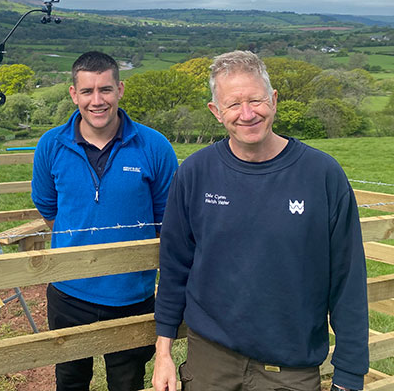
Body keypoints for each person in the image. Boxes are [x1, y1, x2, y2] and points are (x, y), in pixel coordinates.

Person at [152, 50, 369, 391]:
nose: (247, 114)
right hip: (211, 361)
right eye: (234, 104)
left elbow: (348, 280)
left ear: (274, 100)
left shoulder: (322, 175)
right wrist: (163, 352)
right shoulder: (195, 173)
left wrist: (349, 376)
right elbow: (175, 266)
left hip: (290, 367)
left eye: (256, 100)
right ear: (216, 111)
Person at [31, 51, 178, 391]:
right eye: (87, 91)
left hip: (131, 295)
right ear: (73, 94)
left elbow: (164, 219)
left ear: (120, 90)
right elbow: (48, 207)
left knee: (126, 383)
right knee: (70, 380)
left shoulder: (154, 146)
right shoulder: (51, 145)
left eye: (105, 90)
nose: (97, 100)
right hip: (68, 291)